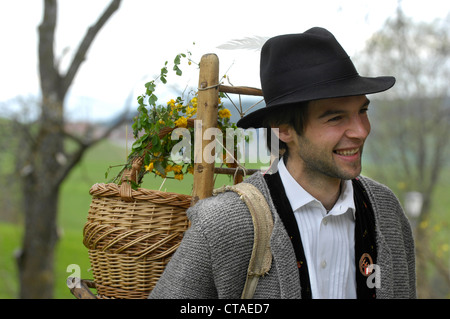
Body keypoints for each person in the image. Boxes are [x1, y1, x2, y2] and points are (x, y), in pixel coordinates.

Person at [149, 27, 416, 299]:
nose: (360, 130)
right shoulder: (225, 224)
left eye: (363, 111)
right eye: (335, 118)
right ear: (283, 129)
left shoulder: (385, 211)